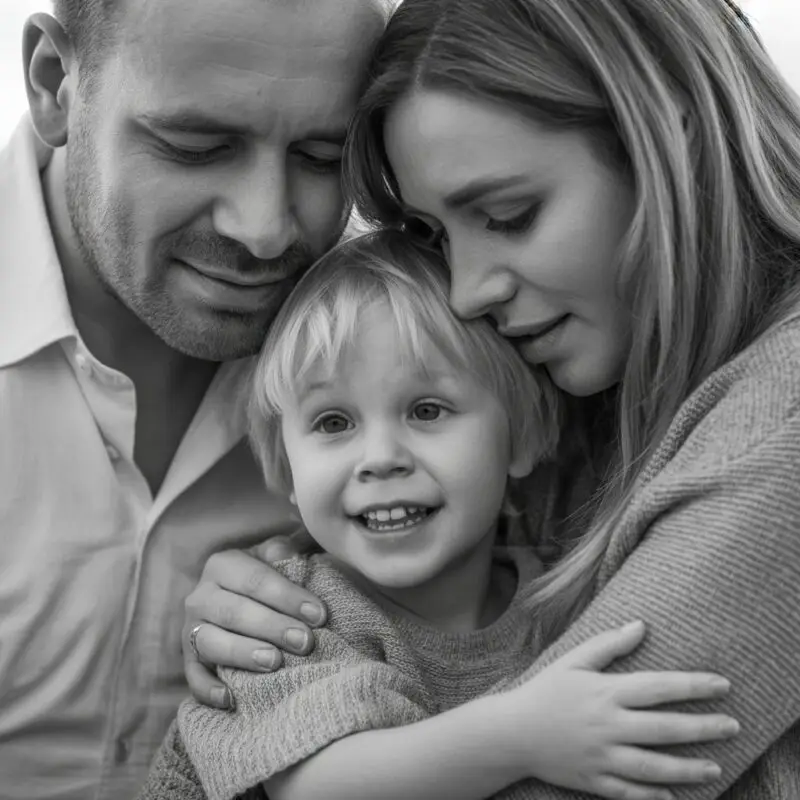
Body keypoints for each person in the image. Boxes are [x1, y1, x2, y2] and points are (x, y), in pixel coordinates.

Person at [182, 1, 800, 798]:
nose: (468, 291)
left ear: (668, 149)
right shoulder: (603, 394)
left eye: (508, 217)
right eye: (436, 237)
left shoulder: (777, 418)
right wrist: (257, 596)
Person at [139, 230, 738, 800]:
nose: (380, 458)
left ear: (523, 436)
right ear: (287, 470)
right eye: (333, 422)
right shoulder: (286, 617)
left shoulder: (560, 599)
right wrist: (521, 737)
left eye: (426, 410)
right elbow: (319, 787)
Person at [0, 0, 387, 797]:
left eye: (323, 157)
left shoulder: (405, 350)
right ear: (53, 82)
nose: (264, 229)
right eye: (195, 147)